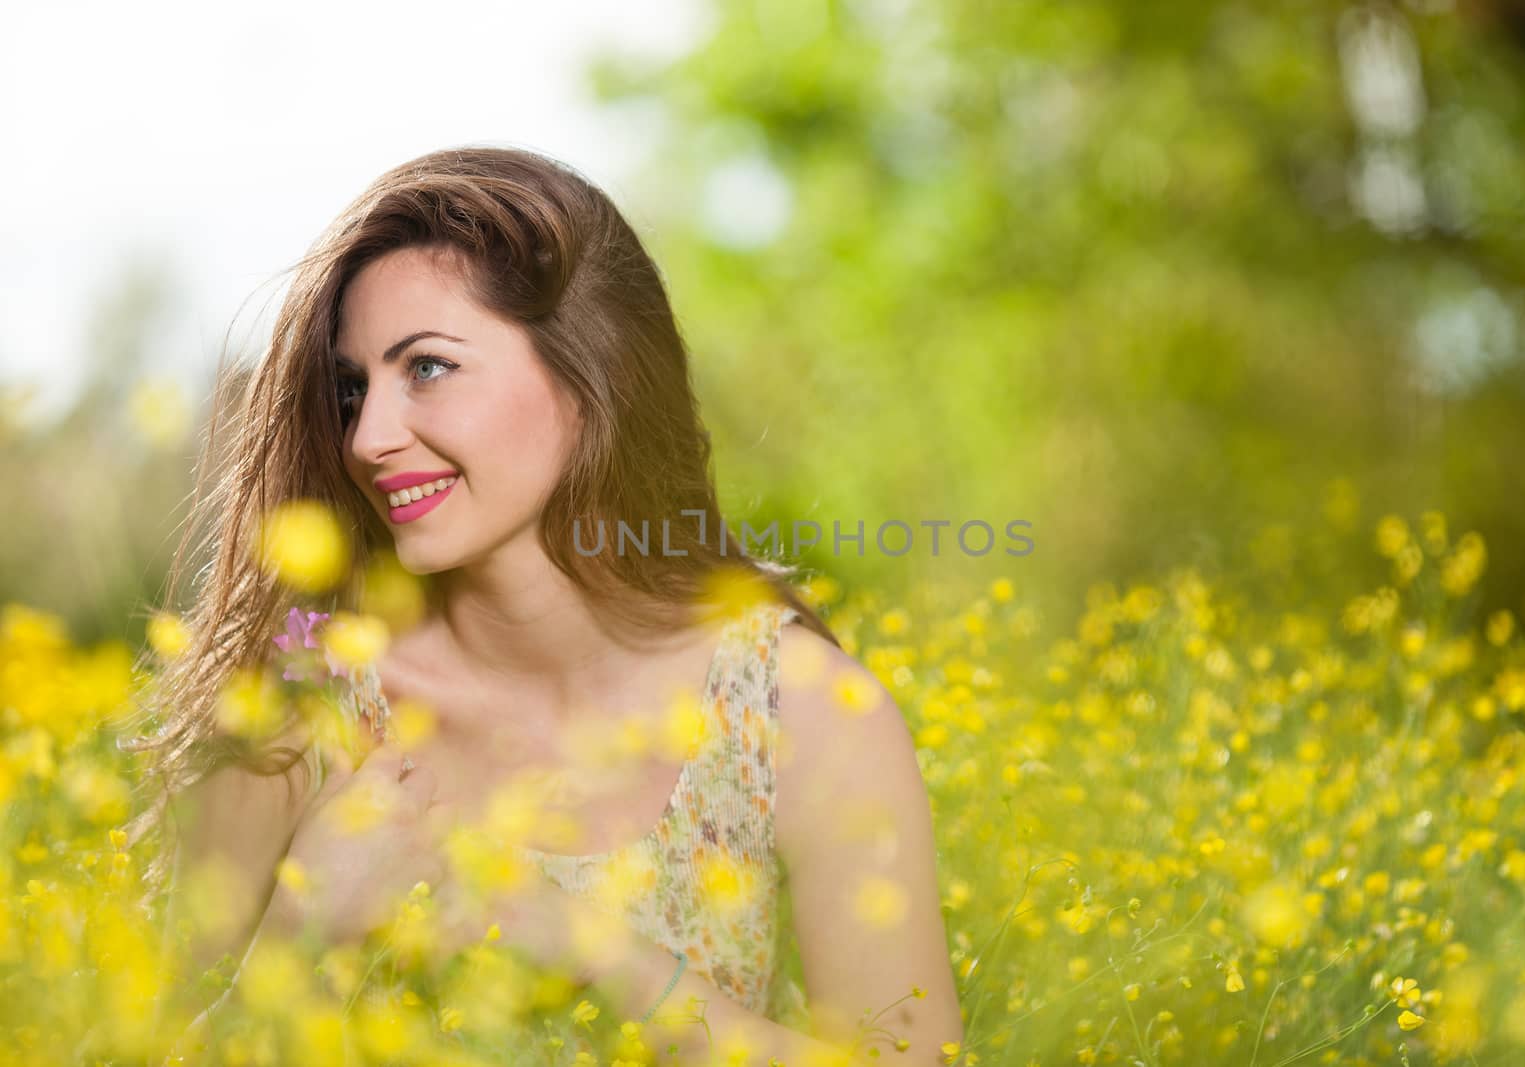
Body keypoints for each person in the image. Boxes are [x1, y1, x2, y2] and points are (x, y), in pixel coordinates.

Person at [118, 145, 963, 1065]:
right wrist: (297, 933)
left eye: (428, 369)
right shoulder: (302, 707)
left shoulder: (798, 714)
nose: (368, 436)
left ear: (590, 377)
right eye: (353, 387)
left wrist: (594, 953)